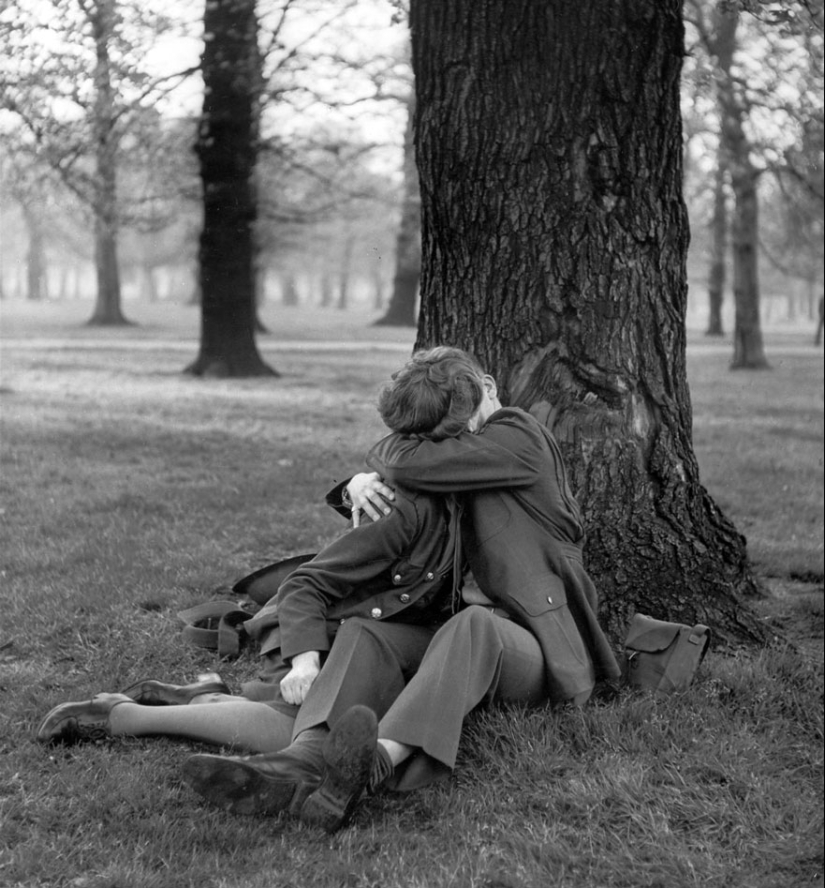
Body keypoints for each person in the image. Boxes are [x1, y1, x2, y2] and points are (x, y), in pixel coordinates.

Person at [182, 346, 621, 832]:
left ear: (491, 388)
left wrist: (371, 466)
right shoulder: (452, 462)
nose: (459, 438)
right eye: (442, 433)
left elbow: (411, 461)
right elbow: (413, 466)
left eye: (460, 425)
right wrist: (359, 485)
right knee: (366, 633)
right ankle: (301, 762)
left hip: (533, 651)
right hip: (452, 644)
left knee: (475, 624)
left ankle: (376, 764)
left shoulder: (519, 436)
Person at [35, 477, 460, 768]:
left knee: (320, 720)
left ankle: (199, 696)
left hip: (358, 631)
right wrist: (304, 661)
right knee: (301, 730)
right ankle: (122, 716)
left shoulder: (476, 476)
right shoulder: (399, 499)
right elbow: (304, 587)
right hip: (315, 623)